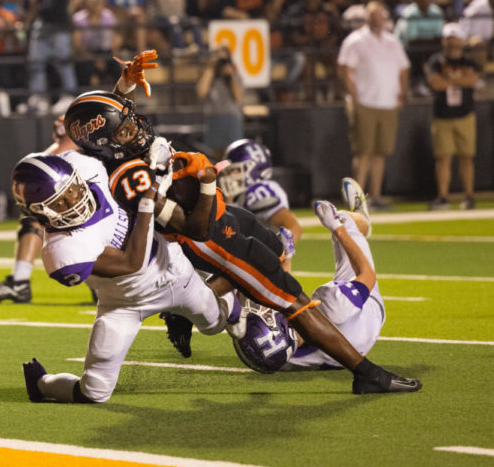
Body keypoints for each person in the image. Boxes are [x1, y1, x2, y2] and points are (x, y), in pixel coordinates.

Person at [61, 51, 421, 394]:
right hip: (214, 239)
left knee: (277, 248)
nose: (135, 128)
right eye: (124, 130)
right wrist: (206, 180)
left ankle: (185, 313)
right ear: (106, 144)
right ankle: (365, 372)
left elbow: (108, 123)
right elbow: (196, 229)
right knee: (293, 301)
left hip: (226, 217)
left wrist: (123, 87)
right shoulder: (133, 177)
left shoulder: (118, 147)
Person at [18, 150, 232, 404]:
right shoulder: (61, 252)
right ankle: (42, 384)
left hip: (172, 267)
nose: (74, 199)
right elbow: (132, 262)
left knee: (216, 323)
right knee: (94, 391)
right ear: (40, 212)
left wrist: (155, 160)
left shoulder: (86, 166)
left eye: (72, 189)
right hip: (124, 303)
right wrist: (147, 200)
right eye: (60, 202)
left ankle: (241, 299)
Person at [283, 179, 382, 369]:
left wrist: (287, 258)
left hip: (335, 354)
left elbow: (282, 297)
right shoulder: (332, 305)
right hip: (367, 318)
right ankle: (361, 220)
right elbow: (367, 275)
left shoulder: (276, 356)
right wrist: (337, 228)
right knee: (346, 219)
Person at [0, 116, 76, 304]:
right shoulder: (102, 145)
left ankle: (20, 281)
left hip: (103, 218)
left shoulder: (70, 145)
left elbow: (37, 167)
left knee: (35, 216)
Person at [337, 1, 410, 210]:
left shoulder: (392, 40)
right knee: (363, 151)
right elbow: (344, 68)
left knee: (381, 151)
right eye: (373, 16)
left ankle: (376, 196)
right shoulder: (356, 40)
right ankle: (357, 199)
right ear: (367, 18)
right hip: (366, 102)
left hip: (387, 102)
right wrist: (355, 97)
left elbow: (403, 68)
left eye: (380, 16)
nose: (378, 20)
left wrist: (402, 94)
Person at [217, 138, 302, 270]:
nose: (230, 175)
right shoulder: (237, 196)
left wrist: (280, 254)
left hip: (257, 266)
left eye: (237, 170)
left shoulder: (259, 191)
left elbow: (292, 226)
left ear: (254, 169)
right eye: (230, 170)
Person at [424, 23, 481, 211]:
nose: (451, 42)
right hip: (443, 115)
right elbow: (435, 83)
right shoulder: (436, 60)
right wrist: (459, 80)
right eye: (448, 38)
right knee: (443, 158)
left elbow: (473, 80)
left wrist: (448, 80)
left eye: (454, 37)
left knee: (467, 157)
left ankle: (469, 196)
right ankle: (443, 197)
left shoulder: (469, 60)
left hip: (465, 114)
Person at [25, 0, 78, 115]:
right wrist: (28, 22)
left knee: (63, 61)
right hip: (43, 21)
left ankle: (69, 95)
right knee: (36, 61)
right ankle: (38, 97)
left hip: (60, 22)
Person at [196, 46, 245, 159]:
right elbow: (201, 92)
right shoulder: (209, 75)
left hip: (232, 120)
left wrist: (231, 74)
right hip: (214, 120)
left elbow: (238, 97)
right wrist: (211, 67)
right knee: (215, 158)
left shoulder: (235, 75)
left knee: (233, 156)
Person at [72, 0, 121, 88]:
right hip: (86, 52)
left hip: (105, 51)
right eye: (92, 2)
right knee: (84, 66)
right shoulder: (78, 18)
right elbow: (77, 44)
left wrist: (105, 58)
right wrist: (94, 59)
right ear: (86, 4)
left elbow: (114, 40)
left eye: (98, 2)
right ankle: (84, 96)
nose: (95, 5)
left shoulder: (108, 16)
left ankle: (123, 97)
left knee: (117, 67)